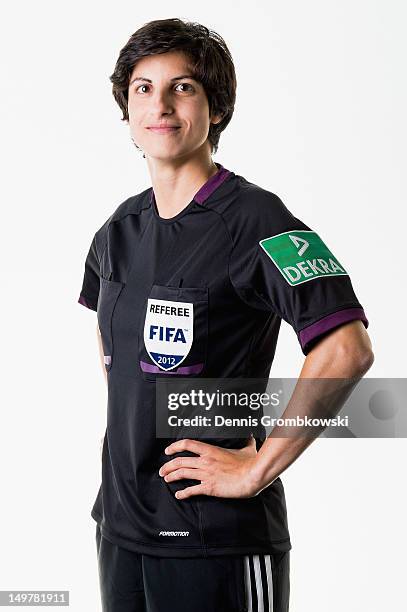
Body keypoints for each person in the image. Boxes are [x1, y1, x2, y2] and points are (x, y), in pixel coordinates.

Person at [78, 17, 374, 612]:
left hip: (218, 541)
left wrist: (257, 467)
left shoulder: (257, 219)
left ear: (215, 109)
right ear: (127, 110)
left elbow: (346, 347)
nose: (159, 104)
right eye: (142, 88)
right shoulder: (119, 229)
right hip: (121, 531)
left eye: (182, 87)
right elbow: (115, 349)